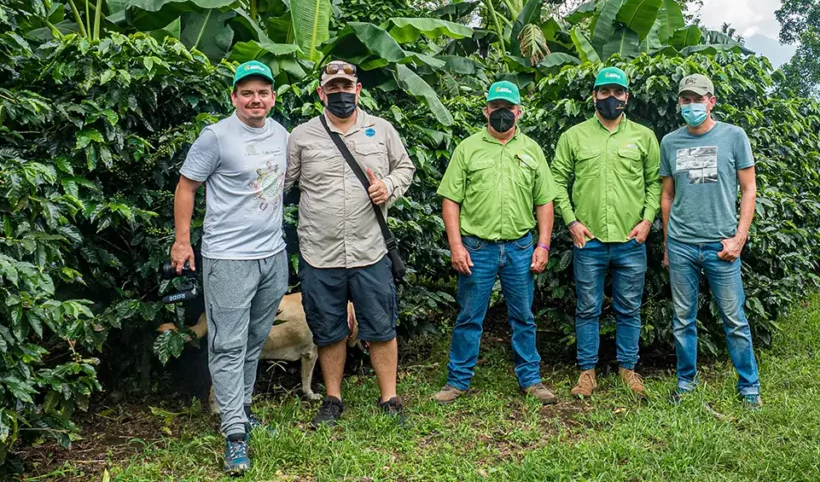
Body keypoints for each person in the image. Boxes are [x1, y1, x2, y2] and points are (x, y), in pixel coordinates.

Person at [172, 60, 289, 476]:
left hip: (273, 255)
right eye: (247, 93)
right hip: (228, 258)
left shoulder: (281, 134)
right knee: (227, 343)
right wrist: (183, 241)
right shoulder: (216, 136)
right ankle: (234, 434)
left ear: (273, 97)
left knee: (256, 337)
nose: (255, 99)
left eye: (263, 92)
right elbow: (186, 187)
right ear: (234, 97)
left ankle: (242, 409)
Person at [285, 60, 415, 428]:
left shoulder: (382, 129)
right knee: (328, 329)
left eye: (347, 87)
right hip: (319, 250)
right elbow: (284, 183)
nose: (341, 93)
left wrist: (387, 187)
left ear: (358, 90)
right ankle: (332, 398)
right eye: (333, 87)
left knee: (381, 326)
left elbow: (405, 168)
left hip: (369, 248)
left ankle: (390, 397)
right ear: (321, 92)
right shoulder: (302, 136)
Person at [433, 80, 558, 406]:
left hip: (519, 247)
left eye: (509, 108)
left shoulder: (532, 149)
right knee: (469, 317)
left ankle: (531, 380)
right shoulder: (468, 148)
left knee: (524, 318)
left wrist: (543, 245)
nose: (503, 113)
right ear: (487, 110)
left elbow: (545, 201)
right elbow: (451, 200)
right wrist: (456, 245)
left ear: (518, 111)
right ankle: (457, 381)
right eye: (497, 108)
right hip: (477, 248)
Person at [551, 66, 660, 400]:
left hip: (631, 241)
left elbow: (656, 181)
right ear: (594, 96)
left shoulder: (643, 137)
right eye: (604, 92)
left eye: (617, 92)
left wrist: (647, 220)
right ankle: (587, 373)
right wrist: (570, 221)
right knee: (587, 309)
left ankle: (629, 369)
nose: (611, 98)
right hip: (590, 241)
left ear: (626, 96)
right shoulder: (574, 136)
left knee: (629, 308)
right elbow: (557, 180)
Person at [660, 73, 762, 409]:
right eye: (685, 99)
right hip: (682, 245)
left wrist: (739, 238)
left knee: (734, 320)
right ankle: (686, 384)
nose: (691, 105)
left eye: (697, 99)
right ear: (679, 103)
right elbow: (667, 195)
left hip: (722, 246)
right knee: (683, 320)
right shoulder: (670, 142)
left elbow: (749, 188)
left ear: (711, 101)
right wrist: (666, 244)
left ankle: (749, 388)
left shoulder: (734, 136)